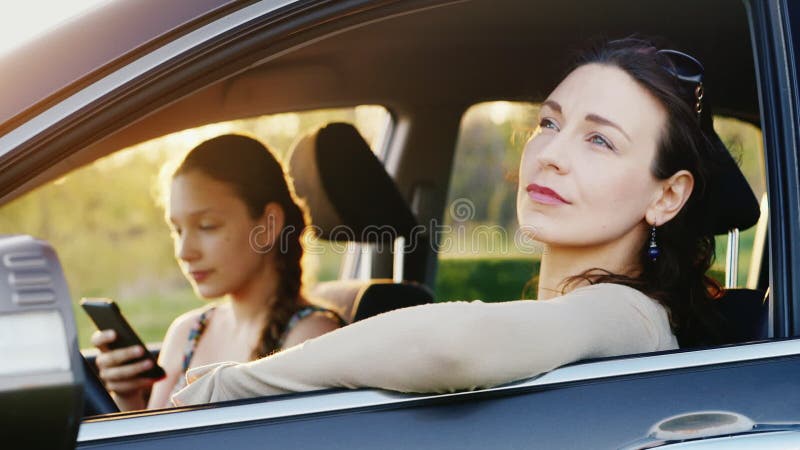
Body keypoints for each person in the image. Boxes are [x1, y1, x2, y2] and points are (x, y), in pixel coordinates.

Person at [171, 37, 745, 405]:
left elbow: (454, 345)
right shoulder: (573, 314)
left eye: (599, 139)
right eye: (549, 123)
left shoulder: (633, 314)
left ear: (667, 197)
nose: (550, 154)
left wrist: (230, 385)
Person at [91, 134, 345, 410]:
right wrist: (128, 397)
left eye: (207, 225)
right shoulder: (187, 332)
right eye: (177, 230)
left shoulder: (309, 337)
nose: (184, 251)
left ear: (269, 226)